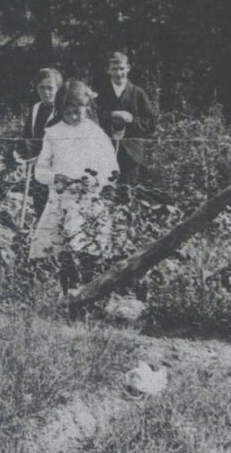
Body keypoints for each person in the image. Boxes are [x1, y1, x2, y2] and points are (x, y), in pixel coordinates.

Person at [28, 80, 120, 292]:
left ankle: (89, 294)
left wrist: (96, 180)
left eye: (78, 112)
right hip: (61, 201)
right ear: (60, 110)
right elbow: (39, 172)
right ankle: (66, 294)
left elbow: (112, 170)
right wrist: (56, 178)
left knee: (88, 250)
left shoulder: (96, 134)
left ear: (87, 109)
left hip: (88, 202)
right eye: (68, 113)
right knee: (62, 251)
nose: (74, 117)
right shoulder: (53, 133)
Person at [95, 50, 159, 200]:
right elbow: (92, 118)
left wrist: (131, 120)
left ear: (128, 68)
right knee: (103, 193)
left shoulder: (138, 93)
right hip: (103, 151)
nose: (118, 73)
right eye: (114, 69)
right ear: (108, 70)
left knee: (127, 196)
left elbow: (151, 123)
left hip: (130, 154)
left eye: (122, 69)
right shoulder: (100, 92)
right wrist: (112, 115)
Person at [16, 67, 65, 214]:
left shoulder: (63, 111)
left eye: (50, 88)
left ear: (58, 89)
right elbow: (27, 135)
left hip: (57, 165)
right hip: (37, 166)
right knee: (39, 203)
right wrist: (22, 155)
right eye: (41, 88)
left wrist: (43, 158)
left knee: (56, 206)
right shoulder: (36, 108)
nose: (46, 92)